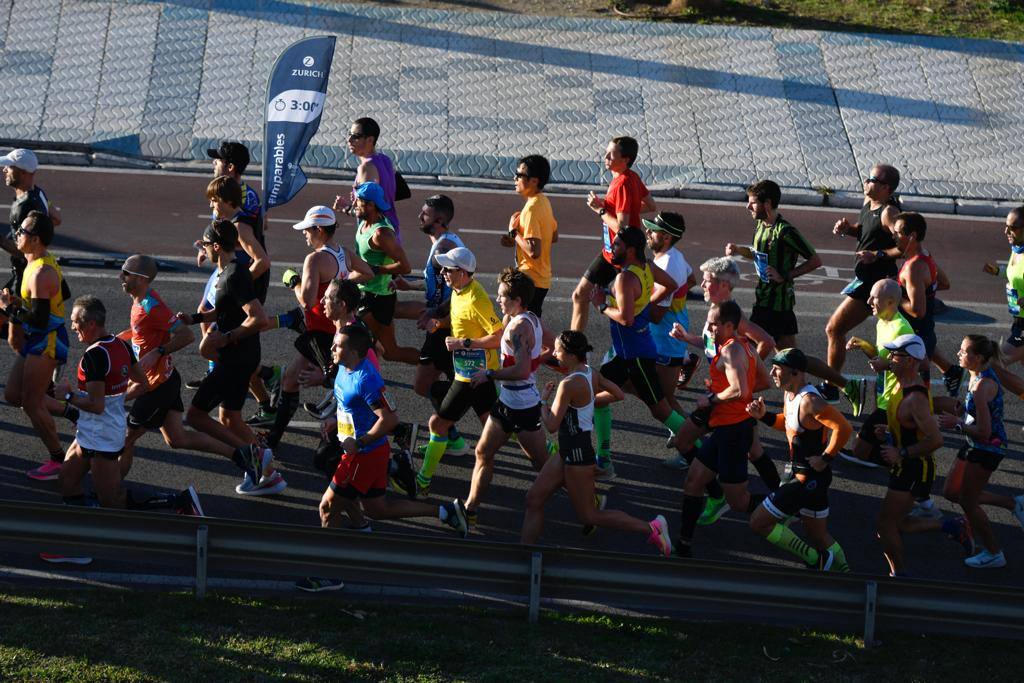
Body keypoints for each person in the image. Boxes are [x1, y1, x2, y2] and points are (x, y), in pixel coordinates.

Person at [296, 325, 469, 592]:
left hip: (363, 455)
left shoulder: (368, 379)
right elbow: (346, 403)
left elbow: (390, 419)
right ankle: (446, 512)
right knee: (377, 509)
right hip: (366, 452)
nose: (331, 349)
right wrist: (335, 421)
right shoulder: (344, 367)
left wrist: (359, 441)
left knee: (328, 508)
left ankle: (327, 575)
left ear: (354, 351)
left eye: (337, 345)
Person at [117, 255, 274, 493]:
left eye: (125, 273)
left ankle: (110, 491)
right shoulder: (141, 302)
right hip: (167, 379)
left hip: (157, 384)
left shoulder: (151, 305)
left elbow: (186, 335)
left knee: (126, 439)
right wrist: (121, 338)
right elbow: (146, 329)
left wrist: (158, 352)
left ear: (141, 279)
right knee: (176, 439)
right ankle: (240, 454)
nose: (121, 277)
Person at [520, 330, 672, 556]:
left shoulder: (569, 384)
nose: (555, 354)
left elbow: (551, 424)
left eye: (558, 350)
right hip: (568, 451)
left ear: (571, 355)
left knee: (589, 516)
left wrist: (541, 400)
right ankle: (522, 556)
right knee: (533, 499)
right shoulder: (591, 373)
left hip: (578, 456)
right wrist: (589, 401)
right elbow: (619, 394)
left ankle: (652, 527)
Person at [56, 295, 202, 516]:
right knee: (67, 481)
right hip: (92, 430)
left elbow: (96, 405)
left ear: (91, 324)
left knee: (113, 500)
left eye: (76, 321)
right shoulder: (121, 345)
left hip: (102, 437)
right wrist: (114, 401)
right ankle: (81, 529)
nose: (73, 326)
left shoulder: (94, 356)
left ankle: (177, 502)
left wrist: (67, 397)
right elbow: (142, 384)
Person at [182, 220, 285, 496]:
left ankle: (248, 454)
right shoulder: (226, 272)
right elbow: (224, 309)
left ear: (216, 246)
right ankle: (268, 474)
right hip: (240, 356)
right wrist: (194, 318)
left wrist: (227, 338)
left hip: (236, 359)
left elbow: (258, 318)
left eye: (205, 245)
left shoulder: (234, 275)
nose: (203, 250)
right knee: (230, 418)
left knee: (194, 415)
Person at [262, 206, 372, 448]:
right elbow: (367, 273)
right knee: (291, 379)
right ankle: (274, 438)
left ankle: (362, 427)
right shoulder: (344, 253)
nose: (305, 235)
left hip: (321, 331)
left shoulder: (314, 259)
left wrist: (293, 282)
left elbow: (307, 301)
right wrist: (339, 284)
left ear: (320, 230)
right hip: (335, 328)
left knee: (339, 381)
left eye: (307, 230)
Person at [873, 334, 974, 577]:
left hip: (914, 467)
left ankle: (898, 576)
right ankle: (952, 526)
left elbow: (936, 439)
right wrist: (889, 432)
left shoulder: (915, 398)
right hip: (906, 463)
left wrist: (901, 451)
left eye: (895, 355)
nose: (890, 359)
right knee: (896, 524)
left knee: (886, 527)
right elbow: (911, 428)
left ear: (910, 361)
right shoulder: (901, 383)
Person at [590, 227, 686, 479]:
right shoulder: (645, 268)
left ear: (630, 250)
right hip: (626, 355)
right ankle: (603, 460)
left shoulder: (624, 279)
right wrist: (646, 306)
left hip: (636, 357)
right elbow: (670, 285)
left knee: (661, 410)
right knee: (596, 398)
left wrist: (601, 305)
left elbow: (626, 319)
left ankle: (702, 452)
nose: (613, 248)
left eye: (618, 244)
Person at [676, 300, 770, 558]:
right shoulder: (744, 347)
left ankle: (785, 504)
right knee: (693, 481)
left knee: (738, 502)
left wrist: (713, 398)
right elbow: (761, 382)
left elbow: (739, 389)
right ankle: (683, 545)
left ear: (729, 325)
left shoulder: (731, 352)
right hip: (723, 426)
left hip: (734, 430)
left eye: (713, 324)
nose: (709, 328)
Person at [408, 246, 503, 496]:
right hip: (471, 373)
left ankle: (423, 482)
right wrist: (441, 323)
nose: (444, 274)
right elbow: (461, 318)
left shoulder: (477, 298)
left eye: (448, 270)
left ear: (462, 272)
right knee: (502, 426)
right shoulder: (460, 292)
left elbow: (499, 336)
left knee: (438, 424)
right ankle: (550, 456)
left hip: (472, 374)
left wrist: (464, 343)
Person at [746, 349, 852, 572]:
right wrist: (763, 416)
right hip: (807, 477)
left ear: (795, 372)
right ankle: (845, 573)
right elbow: (788, 422)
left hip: (807, 481)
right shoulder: (790, 394)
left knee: (759, 522)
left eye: (777, 368)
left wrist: (825, 458)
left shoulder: (810, 401)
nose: (772, 372)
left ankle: (814, 560)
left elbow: (843, 427)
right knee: (818, 535)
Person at [463, 268, 552, 526]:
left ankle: (585, 498)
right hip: (506, 403)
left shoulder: (520, 328)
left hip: (524, 406)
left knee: (542, 464)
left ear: (517, 301)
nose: (498, 299)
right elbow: (548, 347)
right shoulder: (525, 319)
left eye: (502, 296)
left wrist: (490, 374)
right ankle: (470, 509)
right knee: (482, 452)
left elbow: (523, 369)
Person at [391, 195, 468, 455]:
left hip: (445, 327)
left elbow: (458, 289)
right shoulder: (441, 244)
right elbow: (438, 283)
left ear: (439, 220)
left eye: (424, 214)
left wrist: (434, 313)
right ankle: (451, 435)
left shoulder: (445, 246)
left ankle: (451, 434)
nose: (419, 217)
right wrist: (409, 285)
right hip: (444, 324)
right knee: (439, 381)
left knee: (422, 385)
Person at [938, 335, 1022, 568]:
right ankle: (1013, 504)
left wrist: (955, 423)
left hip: (987, 448)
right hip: (974, 444)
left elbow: (984, 431)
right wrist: (959, 411)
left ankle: (994, 553)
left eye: (963, 352)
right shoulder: (975, 374)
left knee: (968, 501)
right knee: (951, 492)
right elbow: (974, 415)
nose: (958, 354)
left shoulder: (982, 387)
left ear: (978, 358)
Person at [0, 212, 72, 479]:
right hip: (38, 339)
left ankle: (59, 460)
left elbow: (41, 321)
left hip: (48, 341)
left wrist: (9, 310)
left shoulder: (42, 272)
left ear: (36, 239)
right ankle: (72, 411)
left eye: (22, 232)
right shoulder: (31, 263)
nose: (17, 234)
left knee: (31, 403)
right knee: (13, 395)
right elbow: (63, 294)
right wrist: (19, 303)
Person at [824, 163, 902, 402]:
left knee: (834, 329)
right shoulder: (869, 203)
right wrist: (849, 230)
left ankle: (833, 386)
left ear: (886, 187)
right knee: (902, 339)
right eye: (868, 178)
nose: (866, 183)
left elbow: (903, 247)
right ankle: (947, 370)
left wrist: (876, 255)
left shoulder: (889, 212)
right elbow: (867, 231)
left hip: (878, 285)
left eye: (872, 180)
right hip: (865, 280)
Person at [571, 136, 656, 332]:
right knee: (580, 295)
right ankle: (574, 347)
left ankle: (574, 351)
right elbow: (651, 205)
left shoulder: (622, 184)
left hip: (619, 255)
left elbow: (621, 228)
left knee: (588, 298)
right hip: (612, 251)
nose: (606, 157)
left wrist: (599, 210)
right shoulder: (632, 177)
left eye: (611, 154)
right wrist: (613, 209)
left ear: (625, 159)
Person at [725, 180, 822, 349]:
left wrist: (783, 276)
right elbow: (758, 255)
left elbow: (815, 261)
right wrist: (739, 250)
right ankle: (829, 376)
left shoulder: (785, 231)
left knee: (744, 350)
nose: (748, 207)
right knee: (789, 359)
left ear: (767, 203)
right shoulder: (761, 226)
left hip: (777, 304)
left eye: (753, 203)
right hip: (763, 298)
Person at [891, 212, 960, 394]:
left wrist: (896, 295)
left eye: (897, 232)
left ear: (912, 235)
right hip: (924, 334)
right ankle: (952, 374)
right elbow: (944, 283)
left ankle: (960, 412)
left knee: (915, 397)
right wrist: (921, 289)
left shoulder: (914, 267)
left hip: (916, 339)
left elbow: (917, 311)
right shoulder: (925, 255)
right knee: (917, 396)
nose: (893, 236)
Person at [642, 211, 697, 439]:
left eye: (652, 230)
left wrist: (634, 306)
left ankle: (693, 445)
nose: (647, 233)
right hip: (666, 338)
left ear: (665, 237)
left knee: (664, 402)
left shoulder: (667, 264)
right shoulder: (674, 256)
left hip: (666, 341)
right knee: (659, 400)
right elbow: (691, 279)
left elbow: (656, 315)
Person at [350, 181, 417, 364]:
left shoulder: (381, 234)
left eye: (358, 201)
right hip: (364, 291)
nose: (354, 204)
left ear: (371, 205)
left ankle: (434, 363)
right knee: (386, 352)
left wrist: (376, 270)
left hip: (377, 298)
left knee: (362, 346)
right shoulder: (364, 221)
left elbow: (405, 267)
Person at [502, 154, 557, 317]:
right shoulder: (544, 202)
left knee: (519, 325)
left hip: (530, 279)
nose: (515, 178)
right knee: (524, 322)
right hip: (542, 279)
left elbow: (534, 251)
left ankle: (560, 343)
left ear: (534, 180)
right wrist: (516, 239)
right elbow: (553, 236)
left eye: (519, 175)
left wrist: (514, 232)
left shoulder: (531, 210)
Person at [333, 117, 402, 241]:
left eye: (356, 136)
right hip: (391, 232)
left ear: (370, 140)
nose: (349, 140)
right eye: (350, 134)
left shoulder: (366, 168)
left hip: (375, 239)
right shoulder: (385, 160)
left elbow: (367, 213)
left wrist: (345, 207)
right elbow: (391, 192)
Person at [983, 207, 1024, 364]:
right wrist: (996, 272)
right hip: (1018, 320)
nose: (1006, 231)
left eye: (1013, 228)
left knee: (994, 363)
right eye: (1006, 226)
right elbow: (1016, 275)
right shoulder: (1017, 248)